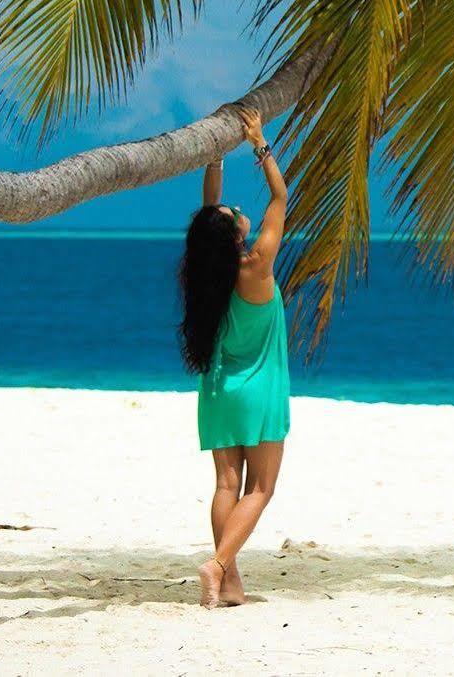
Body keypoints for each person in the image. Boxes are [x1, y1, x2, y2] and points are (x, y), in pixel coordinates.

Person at [177, 107, 289, 608]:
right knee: (260, 488)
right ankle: (219, 565)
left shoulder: (207, 276)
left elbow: (210, 214)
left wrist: (215, 154)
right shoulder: (257, 267)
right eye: (231, 213)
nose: (234, 209)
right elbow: (281, 197)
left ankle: (229, 584)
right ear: (235, 235)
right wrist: (259, 143)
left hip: (219, 389)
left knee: (227, 483)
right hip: (259, 389)